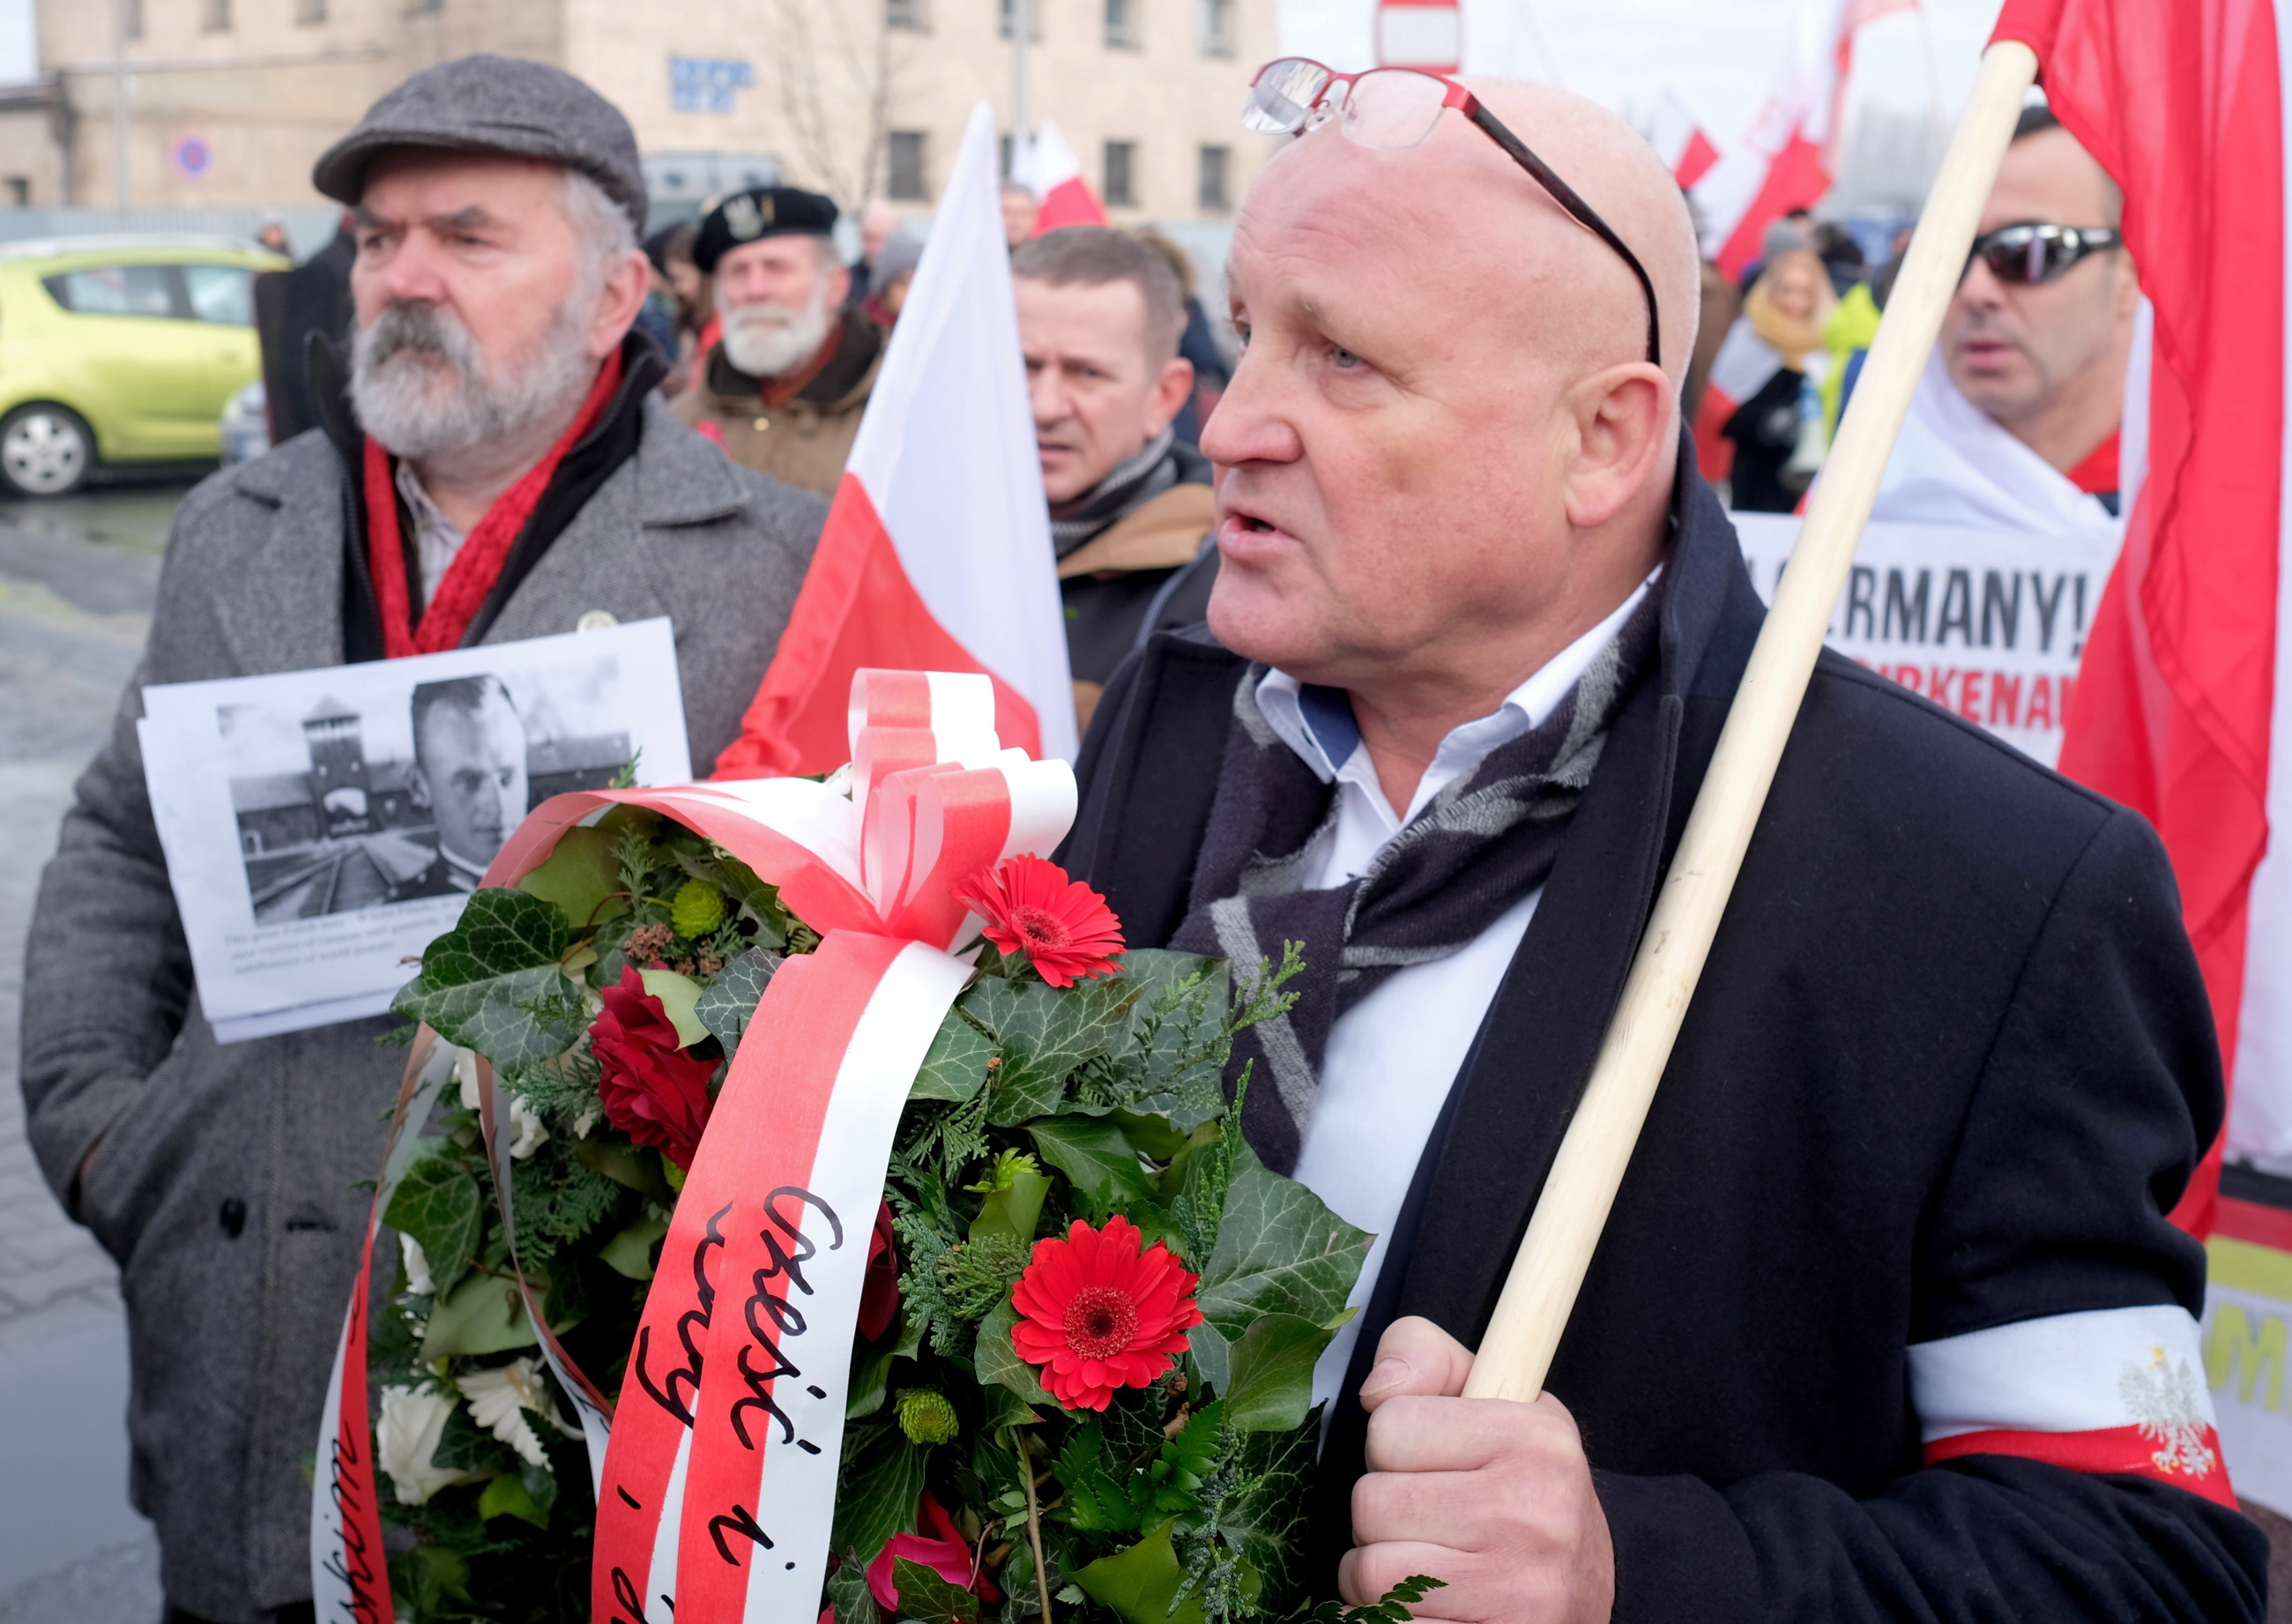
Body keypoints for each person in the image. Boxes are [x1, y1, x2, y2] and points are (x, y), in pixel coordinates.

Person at [1061, 67, 2265, 1620]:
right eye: (1244, 330)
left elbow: (2145, 1561)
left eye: (1344, 357)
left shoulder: (1984, 888)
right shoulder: (1177, 706)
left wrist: (1643, 1569)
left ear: (1607, 438)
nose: (1230, 424)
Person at [19, 56, 824, 1624]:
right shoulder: (235, 526)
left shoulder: (780, 566)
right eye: (380, 238)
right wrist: (105, 1121)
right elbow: (121, 835)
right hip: (236, 1311)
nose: (401, 278)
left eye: (466, 236)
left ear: (610, 296)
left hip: (566, 1354)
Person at [1862, 107, 2134, 535]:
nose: (1975, 291)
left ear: (2130, 275)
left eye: (2029, 251)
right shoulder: (1859, 502)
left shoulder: (2224, 502)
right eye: (1947, 256)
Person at [1012, 226, 1217, 731]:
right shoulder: (917, 544)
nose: (1045, 406)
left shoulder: (1219, 592)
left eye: (1087, 373)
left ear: (1165, 397)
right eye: (1024, 366)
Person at [672, 185, 883, 495]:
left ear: (835, 286)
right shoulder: (680, 422)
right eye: (738, 271)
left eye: (777, 268)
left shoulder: (894, 413)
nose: (756, 290)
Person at [1715, 247, 1834, 510]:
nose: (1793, 300)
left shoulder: (1828, 342)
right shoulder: (1749, 334)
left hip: (1810, 474)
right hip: (1752, 467)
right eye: (1786, 289)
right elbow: (1720, 403)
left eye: (1804, 291)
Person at [391, 675, 528, 899]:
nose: (497, 806)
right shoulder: (401, 907)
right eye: (468, 782)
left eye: (507, 778)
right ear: (419, 787)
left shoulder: (578, 885)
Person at [848, 199, 906, 306]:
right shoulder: (846, 283)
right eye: (868, 238)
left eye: (882, 239)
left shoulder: (914, 282)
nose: (874, 248)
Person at [1001, 180, 1039, 250]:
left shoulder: (1045, 256)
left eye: (1024, 213)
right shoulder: (978, 253)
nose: (1016, 220)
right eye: (1007, 212)